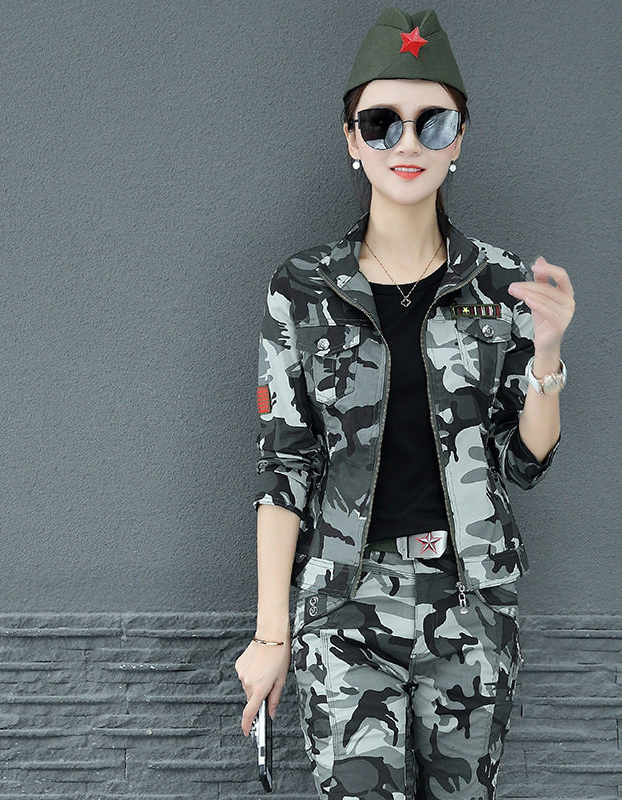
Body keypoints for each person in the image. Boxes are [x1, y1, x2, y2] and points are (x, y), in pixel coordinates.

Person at [234, 8, 575, 799]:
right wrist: (269, 634)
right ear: (351, 141)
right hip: (345, 606)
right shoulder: (303, 288)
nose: (408, 143)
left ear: (459, 140)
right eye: (381, 123)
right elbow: (285, 465)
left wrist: (548, 355)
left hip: (469, 604)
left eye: (433, 122)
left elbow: (525, 460)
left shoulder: (503, 284)